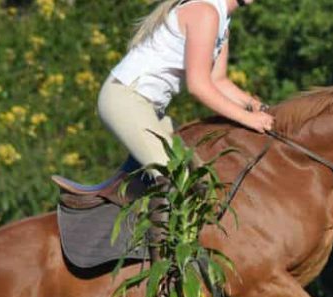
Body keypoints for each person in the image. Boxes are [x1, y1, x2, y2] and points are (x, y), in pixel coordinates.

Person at [99, 0, 274, 172]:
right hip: (126, 99)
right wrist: (247, 118)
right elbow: (197, 86)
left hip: (147, 107)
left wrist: (258, 106)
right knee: (178, 178)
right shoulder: (206, 12)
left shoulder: (222, 21)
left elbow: (218, 81)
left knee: (198, 170)